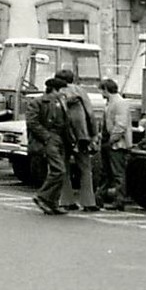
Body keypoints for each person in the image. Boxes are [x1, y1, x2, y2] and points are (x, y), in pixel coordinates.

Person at [55, 69, 99, 212]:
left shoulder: (55, 92)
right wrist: (94, 134)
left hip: (63, 135)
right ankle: (88, 202)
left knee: (64, 167)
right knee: (85, 168)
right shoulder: (80, 91)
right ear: (72, 79)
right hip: (81, 135)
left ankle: (66, 201)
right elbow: (90, 114)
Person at [26, 77, 70, 215]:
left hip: (60, 139)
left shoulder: (61, 102)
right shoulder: (38, 102)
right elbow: (32, 122)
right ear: (54, 89)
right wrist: (47, 137)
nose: (64, 92)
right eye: (62, 90)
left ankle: (53, 202)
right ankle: (42, 196)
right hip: (49, 139)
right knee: (59, 170)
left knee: (59, 171)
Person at [99, 78, 132, 211]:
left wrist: (112, 140)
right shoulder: (111, 103)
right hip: (110, 142)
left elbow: (121, 125)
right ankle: (100, 197)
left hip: (117, 144)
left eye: (102, 90)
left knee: (117, 173)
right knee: (106, 172)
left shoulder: (119, 103)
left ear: (106, 90)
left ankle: (119, 201)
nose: (101, 93)